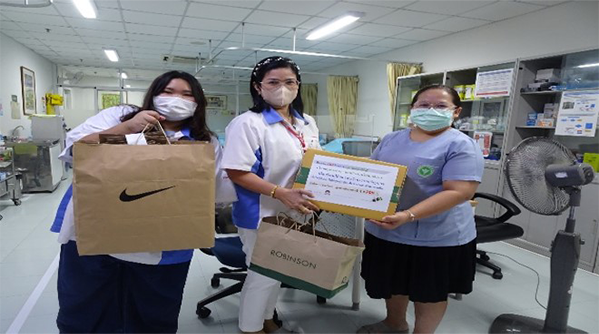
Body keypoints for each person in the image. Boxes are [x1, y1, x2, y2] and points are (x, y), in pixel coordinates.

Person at [51, 70, 224, 333]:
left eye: (187, 94)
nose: (177, 99)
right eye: (168, 92)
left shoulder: (204, 141)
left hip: (163, 244)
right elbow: (78, 149)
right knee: (84, 312)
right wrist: (126, 129)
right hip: (95, 235)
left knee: (152, 316)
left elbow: (211, 193)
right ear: (153, 95)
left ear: (198, 103)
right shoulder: (120, 115)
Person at [357, 85, 484, 334]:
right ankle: (395, 323)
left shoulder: (461, 145)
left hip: (437, 236)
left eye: (440, 106)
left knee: (429, 291)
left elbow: (460, 191)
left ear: (456, 111)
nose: (431, 110)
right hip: (387, 228)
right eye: (423, 105)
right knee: (394, 282)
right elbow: (371, 173)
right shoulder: (393, 138)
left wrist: (408, 215)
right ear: (412, 109)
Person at [221, 56, 321, 334]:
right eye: (273, 82)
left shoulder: (307, 123)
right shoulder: (248, 123)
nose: (282, 88)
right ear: (258, 87)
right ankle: (250, 329)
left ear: (298, 86)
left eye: (289, 82)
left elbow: (316, 161)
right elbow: (236, 171)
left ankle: (267, 321)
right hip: (260, 213)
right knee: (262, 275)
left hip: (295, 210)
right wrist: (281, 193)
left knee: (278, 272)